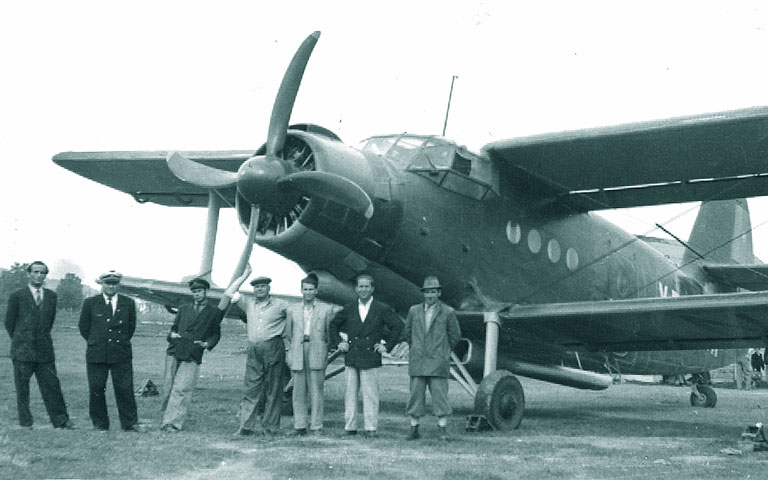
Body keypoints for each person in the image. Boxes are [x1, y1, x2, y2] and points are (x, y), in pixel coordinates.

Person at [159, 271, 250, 432]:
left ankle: (172, 423)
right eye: (194, 291)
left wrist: (206, 344)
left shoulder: (213, 312)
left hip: (192, 353)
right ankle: (166, 416)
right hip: (174, 351)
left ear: (205, 292)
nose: (197, 294)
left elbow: (215, 334)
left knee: (182, 389)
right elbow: (174, 328)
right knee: (169, 387)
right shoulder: (183, 309)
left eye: (199, 291)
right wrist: (171, 334)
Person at [329, 274, 403, 437]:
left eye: (366, 287)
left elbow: (397, 326)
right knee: (350, 394)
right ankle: (350, 427)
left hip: (371, 356)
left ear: (372, 289)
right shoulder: (349, 308)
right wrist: (339, 343)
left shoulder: (382, 308)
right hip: (352, 355)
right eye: (360, 286)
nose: (363, 290)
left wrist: (386, 346)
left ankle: (370, 428)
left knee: (370, 395)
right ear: (356, 289)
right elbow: (333, 325)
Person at [4, 261, 74, 430]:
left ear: (45, 276)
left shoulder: (51, 296)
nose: (38, 275)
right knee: (22, 388)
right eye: (35, 272)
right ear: (29, 274)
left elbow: (49, 322)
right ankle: (25, 422)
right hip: (22, 350)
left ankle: (61, 420)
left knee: (52, 386)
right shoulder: (17, 295)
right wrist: (22, 339)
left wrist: (40, 338)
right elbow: (9, 322)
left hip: (44, 350)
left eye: (42, 273)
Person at [222, 272, 289, 436]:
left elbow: (295, 317)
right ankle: (246, 427)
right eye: (257, 287)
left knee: (273, 389)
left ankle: (271, 428)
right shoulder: (248, 303)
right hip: (254, 349)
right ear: (253, 289)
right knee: (251, 388)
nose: (260, 289)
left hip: (273, 347)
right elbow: (229, 292)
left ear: (268, 288)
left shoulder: (281, 304)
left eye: (263, 286)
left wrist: (290, 340)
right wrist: (244, 275)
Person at [79, 270, 140, 431]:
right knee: (97, 388)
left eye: (114, 283)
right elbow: (84, 327)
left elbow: (130, 327)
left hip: (121, 352)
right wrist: (97, 341)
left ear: (119, 285)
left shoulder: (128, 303)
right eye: (108, 283)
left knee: (125, 388)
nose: (111, 286)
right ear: (102, 284)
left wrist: (119, 342)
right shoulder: (91, 303)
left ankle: (129, 423)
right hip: (97, 352)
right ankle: (100, 424)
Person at [403, 276, 461, 441]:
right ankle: (414, 428)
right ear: (423, 293)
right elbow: (408, 333)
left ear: (439, 293)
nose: (430, 295)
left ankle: (442, 429)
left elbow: (455, 335)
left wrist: (443, 351)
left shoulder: (448, 312)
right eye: (427, 292)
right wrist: (416, 348)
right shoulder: (414, 311)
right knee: (415, 396)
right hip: (418, 361)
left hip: (438, 362)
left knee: (440, 396)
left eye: (433, 292)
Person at [284, 273, 337, 435]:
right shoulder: (292, 309)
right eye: (305, 289)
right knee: (298, 391)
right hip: (298, 350)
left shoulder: (326, 309)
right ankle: (300, 425)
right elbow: (288, 333)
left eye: (311, 289)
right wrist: (293, 348)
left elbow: (329, 334)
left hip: (317, 350)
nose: (308, 292)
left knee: (316, 391)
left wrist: (323, 349)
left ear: (316, 291)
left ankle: (316, 426)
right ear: (301, 290)